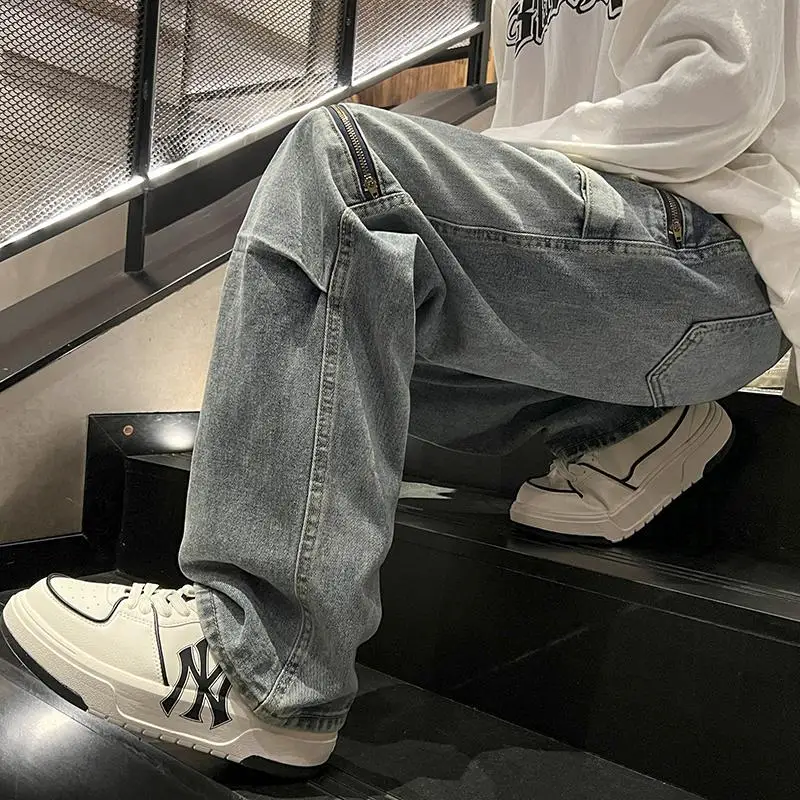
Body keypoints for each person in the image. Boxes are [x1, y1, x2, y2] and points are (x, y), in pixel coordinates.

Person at [3, 0, 798, 775]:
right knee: (337, 320)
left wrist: (465, 164)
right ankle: (619, 424)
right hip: (630, 278)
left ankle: (264, 664)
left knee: (343, 165)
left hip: (722, 265)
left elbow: (715, 100)